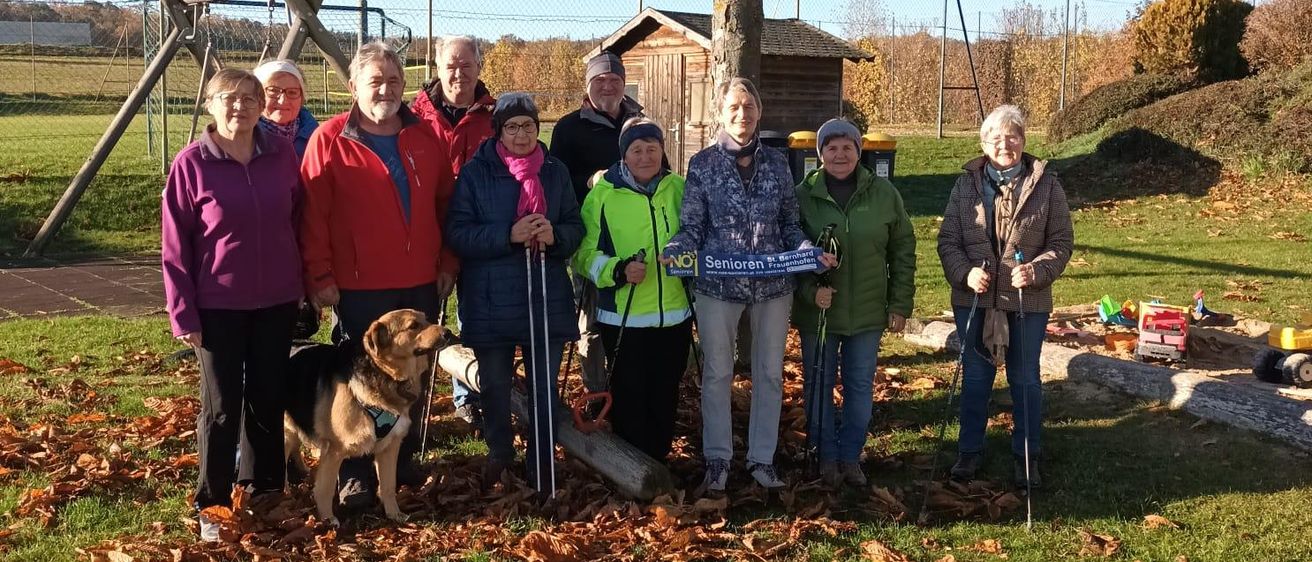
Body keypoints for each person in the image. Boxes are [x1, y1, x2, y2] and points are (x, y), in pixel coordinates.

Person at [299, 41, 458, 508]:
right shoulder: (329, 139)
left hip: (418, 280)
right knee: (359, 382)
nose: (385, 89)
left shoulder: (427, 137)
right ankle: (354, 475)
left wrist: (447, 263)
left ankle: (399, 461)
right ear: (353, 87)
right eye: (375, 81)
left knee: (411, 376)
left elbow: (447, 206)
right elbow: (312, 215)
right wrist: (320, 275)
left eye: (393, 80)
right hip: (357, 283)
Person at [662, 77, 834, 491]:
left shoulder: (777, 163)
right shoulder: (702, 164)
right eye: (734, 107)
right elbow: (692, 226)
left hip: (773, 287)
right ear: (720, 112)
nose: (743, 115)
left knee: (770, 375)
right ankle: (717, 461)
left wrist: (809, 251)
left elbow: (790, 224)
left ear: (759, 112)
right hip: (717, 288)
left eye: (750, 107)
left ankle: (762, 460)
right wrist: (677, 247)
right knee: (718, 373)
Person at [161, 68, 303, 542]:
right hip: (217, 304)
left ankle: (264, 490)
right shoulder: (191, 164)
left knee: (267, 399)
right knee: (221, 409)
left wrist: (304, 283)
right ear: (209, 105)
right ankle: (214, 503)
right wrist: (183, 312)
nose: (239, 106)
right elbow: (175, 246)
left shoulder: (281, 155)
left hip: (277, 301)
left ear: (262, 106)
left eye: (249, 98)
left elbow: (298, 220)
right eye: (228, 98)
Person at [446, 93, 584, 486]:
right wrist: (508, 235)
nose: (521, 134)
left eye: (528, 125)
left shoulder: (555, 171)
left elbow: (575, 227)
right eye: (512, 127)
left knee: (544, 385)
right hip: (491, 299)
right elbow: (458, 232)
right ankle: (500, 453)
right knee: (494, 386)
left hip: (545, 295)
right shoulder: (476, 174)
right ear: (499, 131)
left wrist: (556, 235)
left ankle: (542, 459)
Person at [936, 104, 1073, 489]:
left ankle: (1027, 456)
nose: (1004, 144)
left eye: (1012, 136)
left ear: (1024, 140)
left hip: (1026, 300)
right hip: (973, 298)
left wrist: (1036, 271)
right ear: (983, 144)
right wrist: (966, 273)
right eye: (995, 138)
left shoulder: (1047, 184)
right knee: (976, 376)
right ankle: (969, 453)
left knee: (1025, 378)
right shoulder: (965, 184)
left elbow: (1061, 243)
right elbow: (947, 241)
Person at [793, 118, 917, 489]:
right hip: (820, 311)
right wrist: (809, 292)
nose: (840, 154)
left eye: (847, 147)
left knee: (860, 386)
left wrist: (899, 303)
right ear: (820, 154)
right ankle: (825, 457)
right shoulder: (802, 195)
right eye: (831, 147)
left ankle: (850, 457)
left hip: (867, 311)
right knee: (818, 385)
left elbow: (903, 248)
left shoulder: (883, 193)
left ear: (859, 152)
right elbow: (788, 252)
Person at [572, 117, 692, 461]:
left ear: (662, 151)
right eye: (636, 150)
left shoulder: (678, 188)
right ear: (624, 156)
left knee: (665, 391)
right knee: (629, 393)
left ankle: (660, 463)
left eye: (651, 149)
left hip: (675, 312)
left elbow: (697, 235)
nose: (645, 157)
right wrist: (618, 269)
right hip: (624, 315)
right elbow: (582, 255)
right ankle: (632, 465)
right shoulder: (603, 195)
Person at [411, 35, 498, 429]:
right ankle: (414, 395)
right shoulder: (414, 114)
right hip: (426, 228)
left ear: (479, 67)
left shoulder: (493, 116)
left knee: (475, 316)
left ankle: (468, 396)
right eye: (451, 65)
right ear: (437, 66)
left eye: (466, 65)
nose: (458, 73)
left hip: (479, 230)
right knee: (424, 319)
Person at [549, 51, 645, 396]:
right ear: (588, 85)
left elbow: (659, 169)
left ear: (623, 84)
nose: (608, 86)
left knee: (633, 310)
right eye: (600, 80)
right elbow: (554, 181)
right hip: (591, 237)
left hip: (636, 235)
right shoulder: (569, 127)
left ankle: (628, 385)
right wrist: (589, 181)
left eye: (614, 80)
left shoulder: (638, 124)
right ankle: (595, 390)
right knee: (590, 317)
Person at [253, 59, 319, 159]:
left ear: (301, 98)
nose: (283, 101)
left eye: (292, 92)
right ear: (257, 95)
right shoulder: (243, 137)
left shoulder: (317, 136)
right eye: (273, 91)